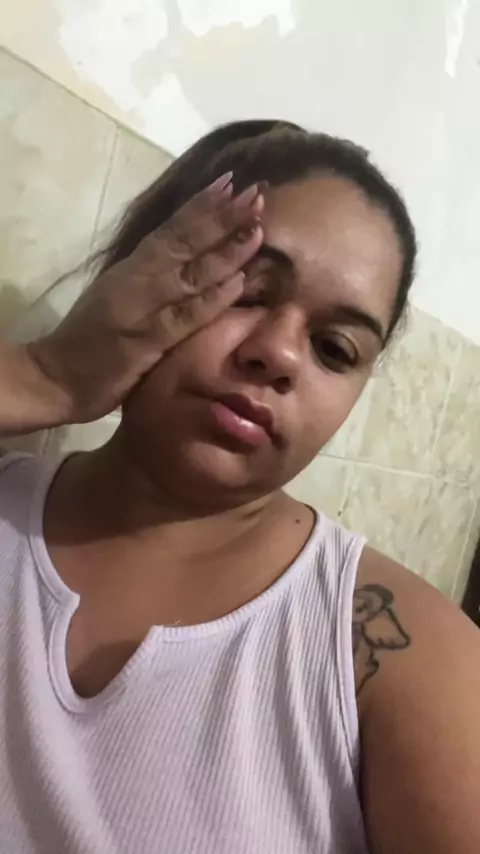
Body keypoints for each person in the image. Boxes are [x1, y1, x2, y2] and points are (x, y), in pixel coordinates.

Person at [0, 120, 479, 854]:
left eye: (335, 349)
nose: (279, 354)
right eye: (246, 290)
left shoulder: (412, 661)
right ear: (137, 271)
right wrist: (45, 376)